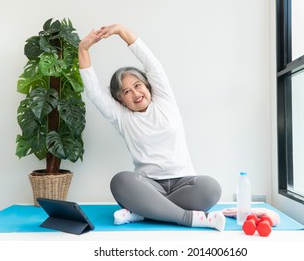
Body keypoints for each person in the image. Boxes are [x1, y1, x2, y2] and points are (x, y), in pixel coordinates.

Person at [78, 24, 225, 231]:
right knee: (120, 181)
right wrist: (83, 49)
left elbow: (152, 64)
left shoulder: (164, 100)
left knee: (211, 188)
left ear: (147, 86)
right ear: (120, 100)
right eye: (126, 92)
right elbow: (93, 91)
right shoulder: (121, 116)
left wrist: (121, 31)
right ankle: (187, 217)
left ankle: (143, 212)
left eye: (137, 86)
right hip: (147, 186)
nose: (135, 93)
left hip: (185, 183)